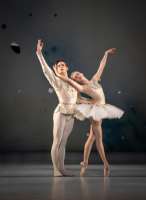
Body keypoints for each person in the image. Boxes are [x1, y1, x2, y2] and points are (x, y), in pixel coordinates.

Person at [54, 48, 124, 176]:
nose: (77, 75)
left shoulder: (94, 80)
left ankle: (85, 162)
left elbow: (101, 66)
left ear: (81, 73)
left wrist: (105, 54)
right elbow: (69, 81)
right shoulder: (82, 87)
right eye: (75, 77)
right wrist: (59, 76)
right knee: (99, 139)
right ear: (77, 80)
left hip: (101, 108)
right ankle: (106, 165)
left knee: (91, 138)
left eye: (77, 73)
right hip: (96, 112)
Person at [36, 39, 80, 176]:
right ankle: (56, 170)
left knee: (64, 143)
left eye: (63, 65)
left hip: (71, 114)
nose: (61, 66)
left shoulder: (73, 82)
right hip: (61, 113)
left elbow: (78, 98)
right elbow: (46, 71)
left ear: (67, 68)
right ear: (56, 69)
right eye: (58, 65)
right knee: (57, 140)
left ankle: (62, 168)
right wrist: (39, 53)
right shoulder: (56, 80)